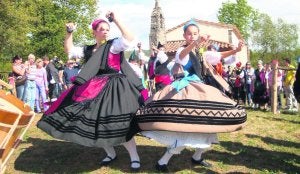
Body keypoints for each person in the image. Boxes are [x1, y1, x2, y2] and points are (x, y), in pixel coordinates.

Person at [37, 11, 148, 171]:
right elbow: (69, 50)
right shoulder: (87, 49)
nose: (105, 31)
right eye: (101, 29)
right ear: (94, 31)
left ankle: (134, 157)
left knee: (120, 123)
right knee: (95, 124)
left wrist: (116, 19)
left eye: (107, 29)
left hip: (114, 88)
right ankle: (110, 153)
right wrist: (69, 32)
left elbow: (129, 38)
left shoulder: (113, 45)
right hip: (92, 89)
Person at [136, 19, 246, 172]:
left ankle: (197, 156)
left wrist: (236, 51)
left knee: (208, 126)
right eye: (189, 34)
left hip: (199, 89)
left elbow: (217, 56)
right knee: (184, 127)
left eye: (195, 34)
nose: (192, 36)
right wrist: (195, 43)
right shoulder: (182, 49)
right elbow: (182, 56)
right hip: (185, 90)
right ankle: (162, 162)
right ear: (184, 35)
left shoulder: (200, 52)